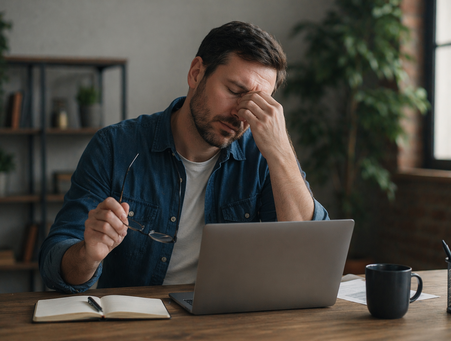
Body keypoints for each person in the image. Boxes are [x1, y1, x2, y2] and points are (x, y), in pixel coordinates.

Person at [39, 21, 329, 293]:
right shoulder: (114, 146)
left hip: (232, 321)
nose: (240, 113)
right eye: (234, 91)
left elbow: (307, 259)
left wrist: (281, 154)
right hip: (134, 322)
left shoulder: (266, 155)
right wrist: (88, 255)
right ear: (196, 73)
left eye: (257, 103)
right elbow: (54, 266)